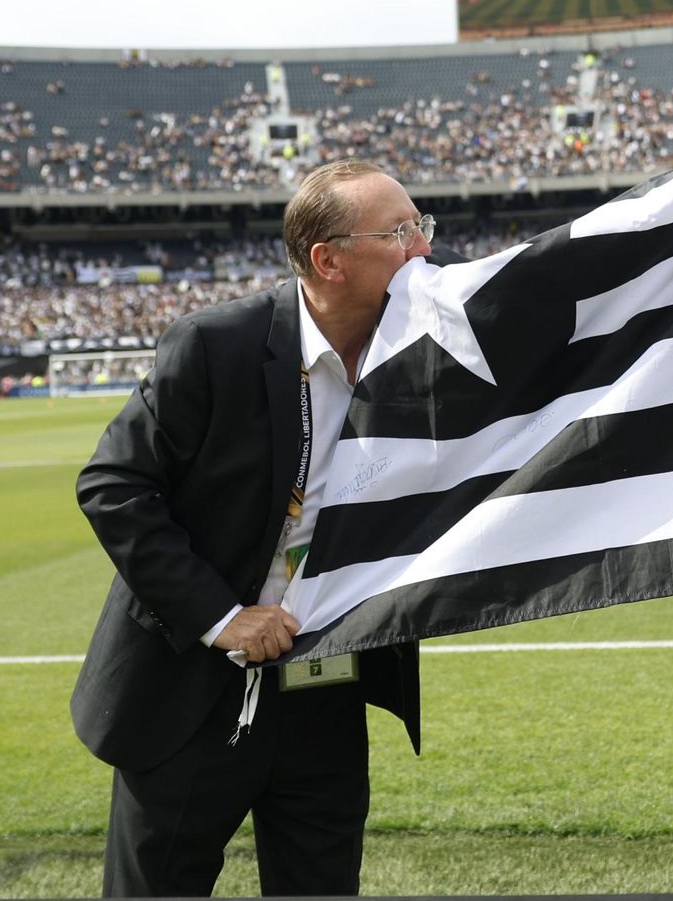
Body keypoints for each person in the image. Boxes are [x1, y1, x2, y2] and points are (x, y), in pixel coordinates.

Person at [71, 160, 436, 896]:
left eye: (421, 225)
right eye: (398, 232)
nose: (422, 248)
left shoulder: (421, 357)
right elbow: (114, 484)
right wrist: (223, 618)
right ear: (328, 260)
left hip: (325, 687)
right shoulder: (216, 345)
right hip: (189, 694)